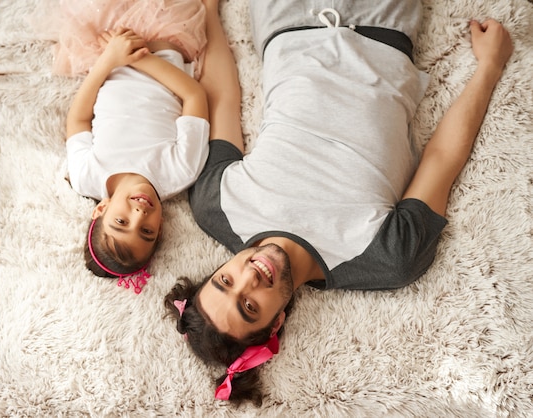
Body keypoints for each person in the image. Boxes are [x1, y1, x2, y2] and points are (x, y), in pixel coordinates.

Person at [164, 0, 514, 404]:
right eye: (248, 306)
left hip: (283, 21)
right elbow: (441, 159)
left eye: (224, 281)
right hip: (381, 25)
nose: (248, 277)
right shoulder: (384, 258)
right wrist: (490, 67)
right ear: (275, 323)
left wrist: (209, 13)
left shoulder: (216, 205)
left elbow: (225, 97)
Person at [60, 1, 212, 293]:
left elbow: (78, 118)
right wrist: (136, 58)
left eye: (120, 221)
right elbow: (194, 95)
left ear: (101, 209)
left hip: (107, 46)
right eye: (146, 231)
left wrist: (108, 60)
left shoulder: (87, 176)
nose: (139, 214)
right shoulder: (179, 172)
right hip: (164, 43)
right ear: (161, 227)